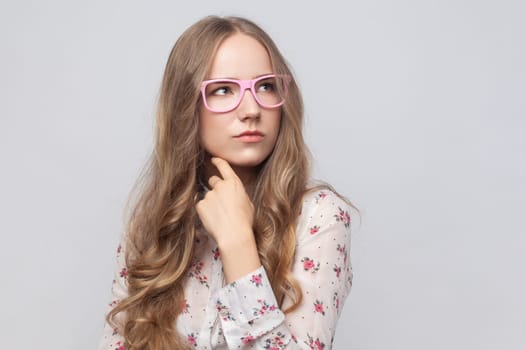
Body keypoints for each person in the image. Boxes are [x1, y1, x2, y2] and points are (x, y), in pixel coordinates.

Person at [98, 15, 356, 350]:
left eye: (265, 86)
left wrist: (239, 245)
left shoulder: (319, 216)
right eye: (223, 90)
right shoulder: (151, 223)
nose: (251, 109)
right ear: (186, 106)